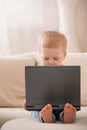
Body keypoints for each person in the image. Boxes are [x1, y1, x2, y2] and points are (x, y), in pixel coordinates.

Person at [23, 30, 76, 123]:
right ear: (39, 55)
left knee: (70, 108)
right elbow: (32, 93)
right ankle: (47, 117)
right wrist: (28, 103)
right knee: (36, 111)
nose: (51, 62)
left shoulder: (68, 74)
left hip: (62, 106)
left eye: (56, 58)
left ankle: (66, 116)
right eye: (46, 58)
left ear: (64, 55)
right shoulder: (36, 74)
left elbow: (71, 91)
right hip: (42, 106)